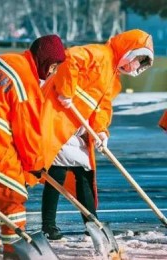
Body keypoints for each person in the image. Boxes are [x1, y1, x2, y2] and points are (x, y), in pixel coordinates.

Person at [40, 29, 154, 240]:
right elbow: (71, 58)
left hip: (75, 128)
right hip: (56, 117)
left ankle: (89, 224)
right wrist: (66, 90)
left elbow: (102, 109)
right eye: (138, 60)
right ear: (129, 51)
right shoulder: (99, 54)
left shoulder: (114, 79)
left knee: (81, 172)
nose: (136, 67)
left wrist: (101, 131)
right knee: (59, 170)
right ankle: (55, 225)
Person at [0, 35, 66, 259]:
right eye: (54, 67)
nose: (53, 72)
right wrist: (35, 166)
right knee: (12, 204)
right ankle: (14, 253)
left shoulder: (1, 61)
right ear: (47, 63)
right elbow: (27, 133)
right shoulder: (27, 86)